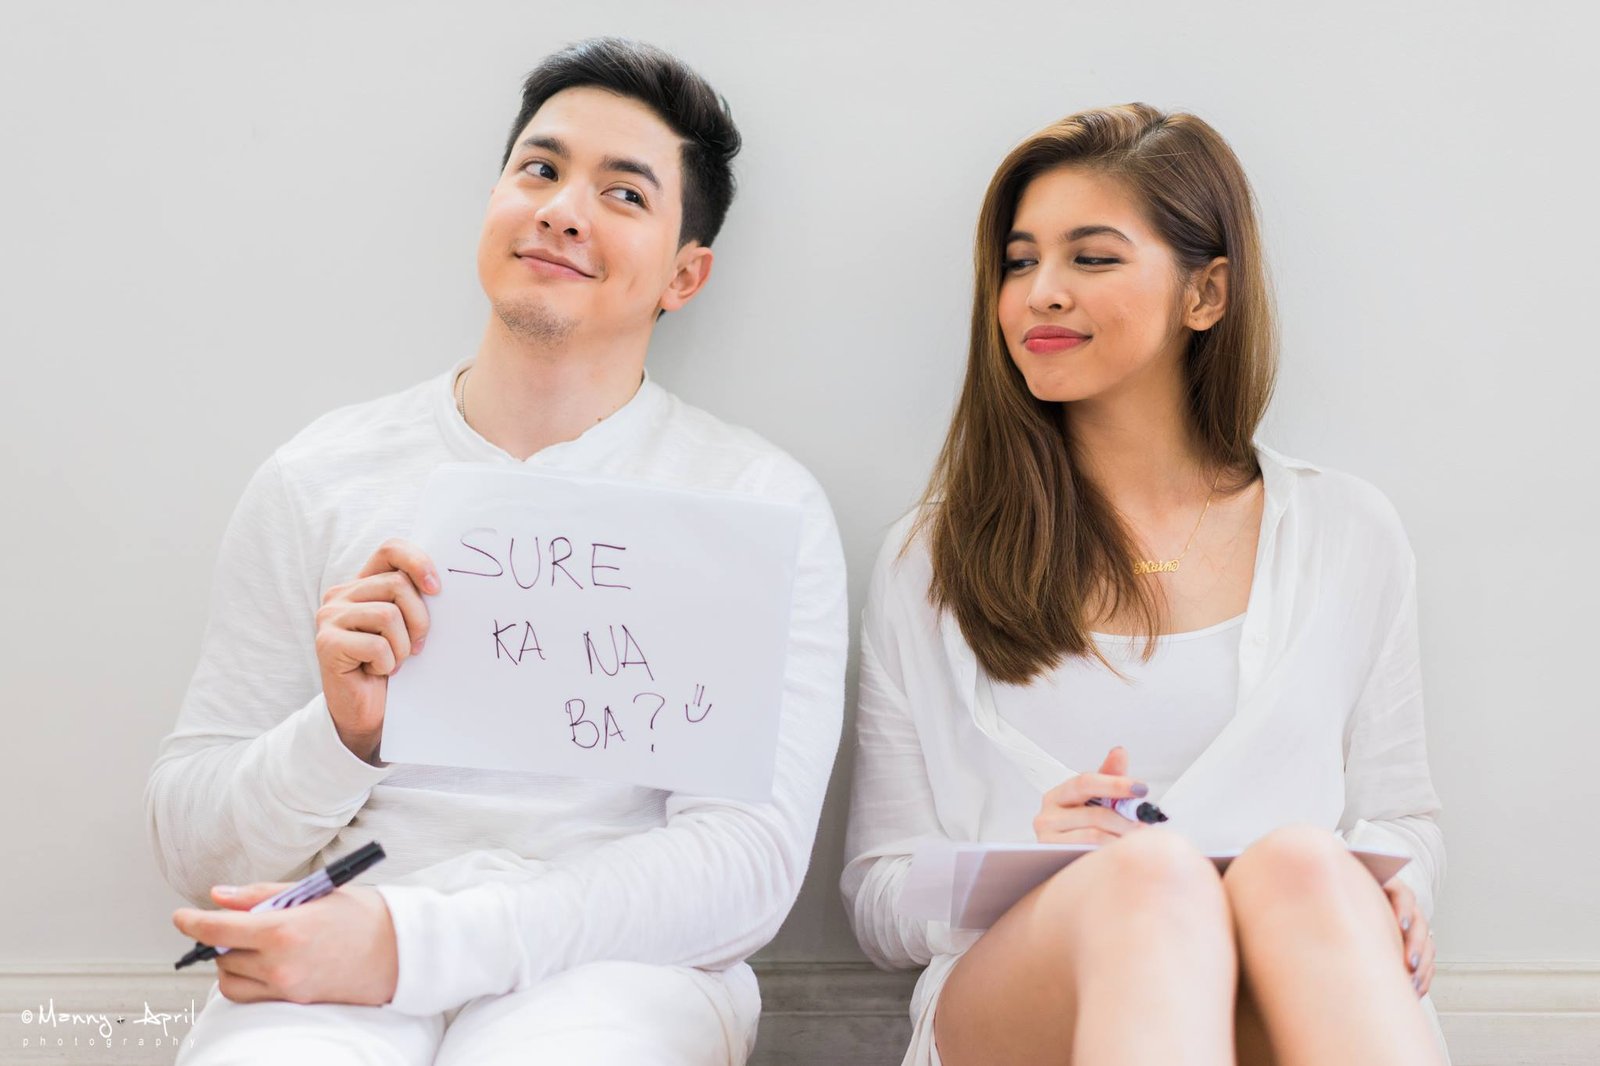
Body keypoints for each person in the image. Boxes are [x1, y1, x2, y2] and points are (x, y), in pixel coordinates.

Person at [145, 37, 847, 1066]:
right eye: (539, 168)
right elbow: (190, 845)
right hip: (333, 949)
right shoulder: (320, 475)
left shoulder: (757, 504)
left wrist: (416, 946)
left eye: (624, 193)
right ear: (493, 202)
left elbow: (745, 867)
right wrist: (342, 735)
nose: (562, 209)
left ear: (685, 274)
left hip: (618, 968)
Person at [841, 103, 1448, 1066]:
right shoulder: (931, 558)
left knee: (1305, 864)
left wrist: (1401, 887)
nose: (1040, 293)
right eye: (1019, 262)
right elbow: (880, 893)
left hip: (1282, 975)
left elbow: (1403, 818)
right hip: (1026, 998)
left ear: (1206, 293)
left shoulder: (1347, 533)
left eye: (1091, 258)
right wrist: (1032, 859)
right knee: (1149, 882)